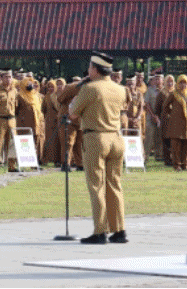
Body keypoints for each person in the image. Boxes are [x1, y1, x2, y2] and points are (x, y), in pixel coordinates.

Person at [69, 52, 128, 244]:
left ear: (94, 69)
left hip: (96, 137)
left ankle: (100, 231)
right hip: (116, 138)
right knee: (115, 185)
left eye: (89, 67)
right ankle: (119, 230)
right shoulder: (120, 89)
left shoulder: (90, 88)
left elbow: (73, 113)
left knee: (97, 186)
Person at [161, 75, 187, 171]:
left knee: (185, 145)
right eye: (181, 82)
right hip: (175, 124)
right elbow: (165, 106)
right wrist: (171, 115)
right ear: (177, 83)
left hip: (186, 124)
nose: (183, 85)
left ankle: (185, 164)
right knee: (176, 145)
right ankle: (177, 165)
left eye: (184, 82)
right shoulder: (173, 94)